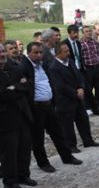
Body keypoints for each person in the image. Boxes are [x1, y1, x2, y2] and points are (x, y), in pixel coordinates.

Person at [20, 42, 83, 173]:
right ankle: (43, 162)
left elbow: (50, 83)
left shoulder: (44, 65)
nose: (39, 55)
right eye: (35, 53)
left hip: (49, 105)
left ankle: (67, 156)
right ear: (29, 53)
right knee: (38, 138)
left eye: (40, 52)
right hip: (36, 107)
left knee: (58, 133)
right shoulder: (24, 67)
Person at [47, 43, 99, 154]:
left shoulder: (71, 62)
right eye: (65, 51)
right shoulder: (53, 67)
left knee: (83, 119)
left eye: (68, 50)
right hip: (65, 100)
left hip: (78, 97)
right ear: (58, 53)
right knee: (67, 125)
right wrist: (74, 93)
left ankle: (88, 140)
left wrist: (81, 88)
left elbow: (79, 76)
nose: (68, 53)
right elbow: (59, 85)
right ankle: (71, 146)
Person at [0, 44, 35, 188]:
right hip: (5, 118)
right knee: (9, 152)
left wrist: (14, 88)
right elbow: (2, 95)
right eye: (0, 52)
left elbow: (27, 84)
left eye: (2, 51)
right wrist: (17, 87)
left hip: (22, 114)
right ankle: (10, 181)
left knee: (24, 147)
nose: (2, 54)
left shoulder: (14, 67)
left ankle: (23, 175)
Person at [79, 25, 99, 115]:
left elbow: (98, 53)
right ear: (83, 33)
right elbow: (81, 57)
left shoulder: (94, 42)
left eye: (90, 31)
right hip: (88, 68)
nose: (89, 33)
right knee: (88, 89)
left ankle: (98, 104)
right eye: (86, 31)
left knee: (98, 87)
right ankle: (88, 107)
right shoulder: (81, 43)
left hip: (97, 67)